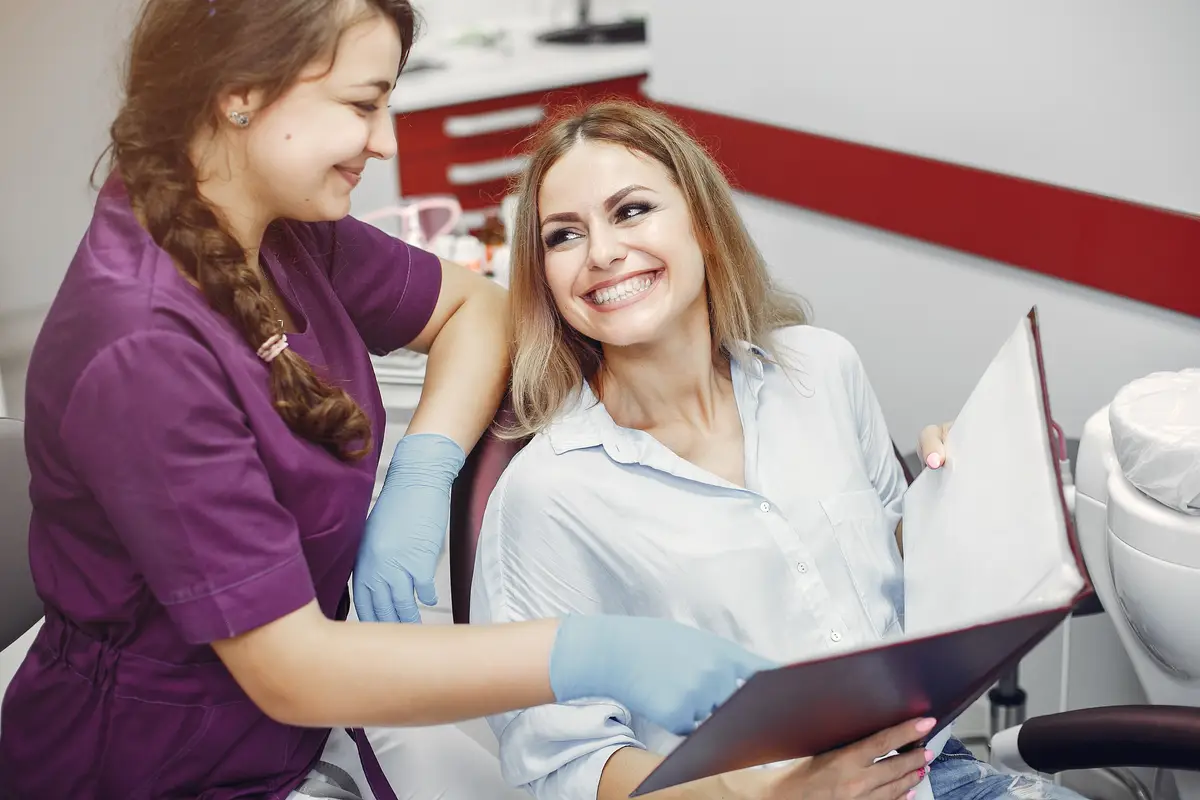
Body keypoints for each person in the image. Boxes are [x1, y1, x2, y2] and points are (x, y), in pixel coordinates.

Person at [0, 5, 779, 799]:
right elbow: (291, 671)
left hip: (280, 734)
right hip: (151, 766)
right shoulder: (145, 349)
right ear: (240, 93)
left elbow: (475, 308)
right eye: (361, 103)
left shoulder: (275, 228)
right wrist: (590, 655)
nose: (386, 141)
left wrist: (424, 466)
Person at [469, 100, 1088, 800]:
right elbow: (564, 768)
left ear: (703, 224)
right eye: (563, 236)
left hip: (931, 779)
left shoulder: (821, 370)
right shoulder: (549, 493)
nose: (603, 253)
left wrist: (964, 490)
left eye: (632, 210)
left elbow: (893, 586)